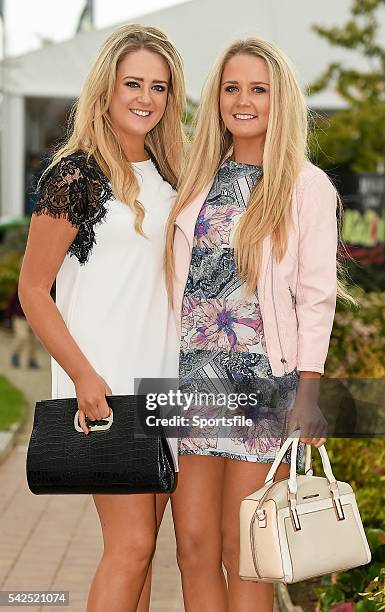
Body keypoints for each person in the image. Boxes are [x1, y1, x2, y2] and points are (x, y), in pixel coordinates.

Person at [165, 38, 351, 611]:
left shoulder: (305, 185)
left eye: (258, 89)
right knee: (193, 546)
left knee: (245, 549)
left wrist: (309, 394)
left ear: (281, 100)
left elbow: (317, 297)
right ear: (216, 97)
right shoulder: (197, 181)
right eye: (231, 88)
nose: (243, 100)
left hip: (261, 386)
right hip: (191, 382)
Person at [18, 24, 185, 612]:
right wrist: (84, 376)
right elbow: (34, 288)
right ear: (106, 90)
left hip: (164, 383)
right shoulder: (76, 174)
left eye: (159, 87)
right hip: (107, 382)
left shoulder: (169, 176)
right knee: (131, 545)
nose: (146, 97)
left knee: (143, 551)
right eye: (133, 83)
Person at [4, 284, 39, 369]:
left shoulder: (39, 288)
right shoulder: (20, 287)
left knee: (34, 340)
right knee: (22, 336)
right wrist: (8, 318)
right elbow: (10, 303)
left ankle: (32, 360)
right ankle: (15, 355)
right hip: (20, 317)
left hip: (34, 318)